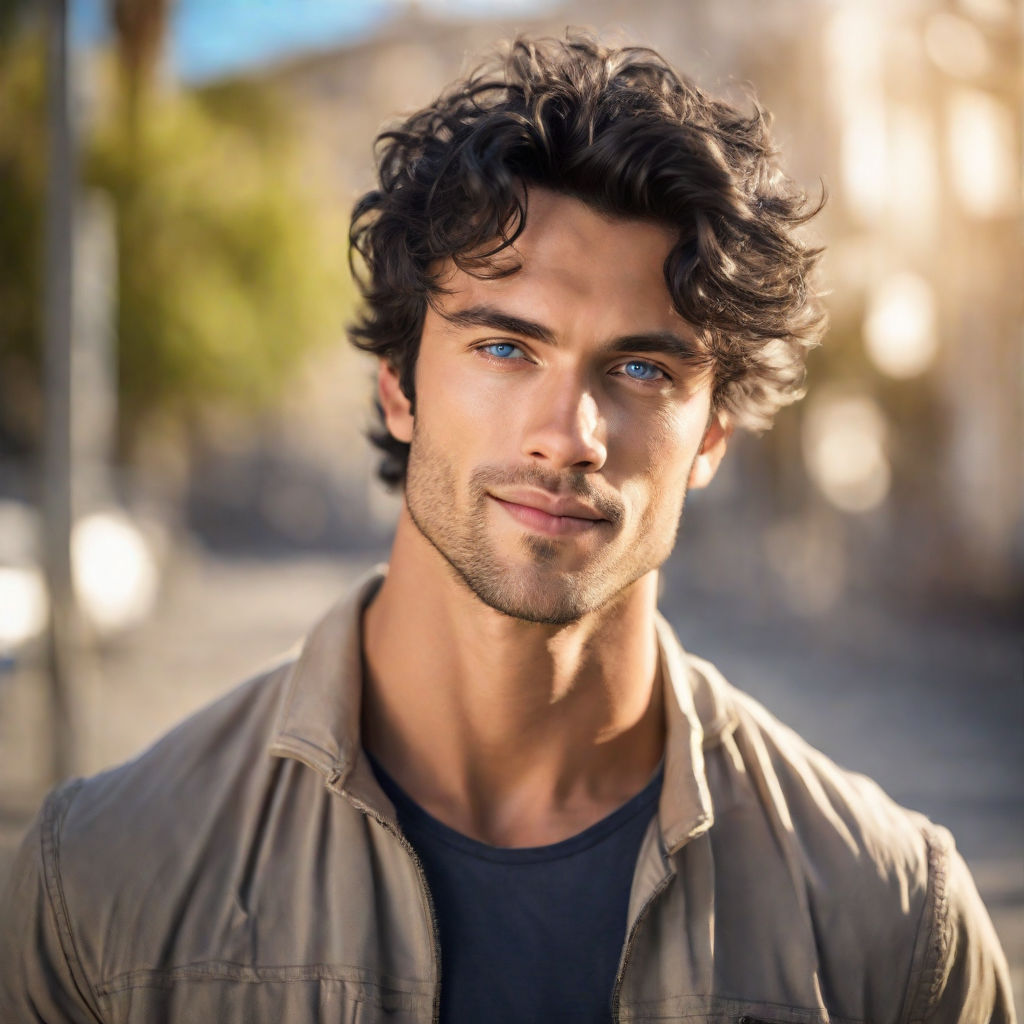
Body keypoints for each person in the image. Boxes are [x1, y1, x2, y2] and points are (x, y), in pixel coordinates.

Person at [0, 32, 1013, 1024]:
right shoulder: (100, 883)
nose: (567, 436)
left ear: (711, 436)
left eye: (642, 369)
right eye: (502, 347)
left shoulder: (895, 920)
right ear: (398, 385)